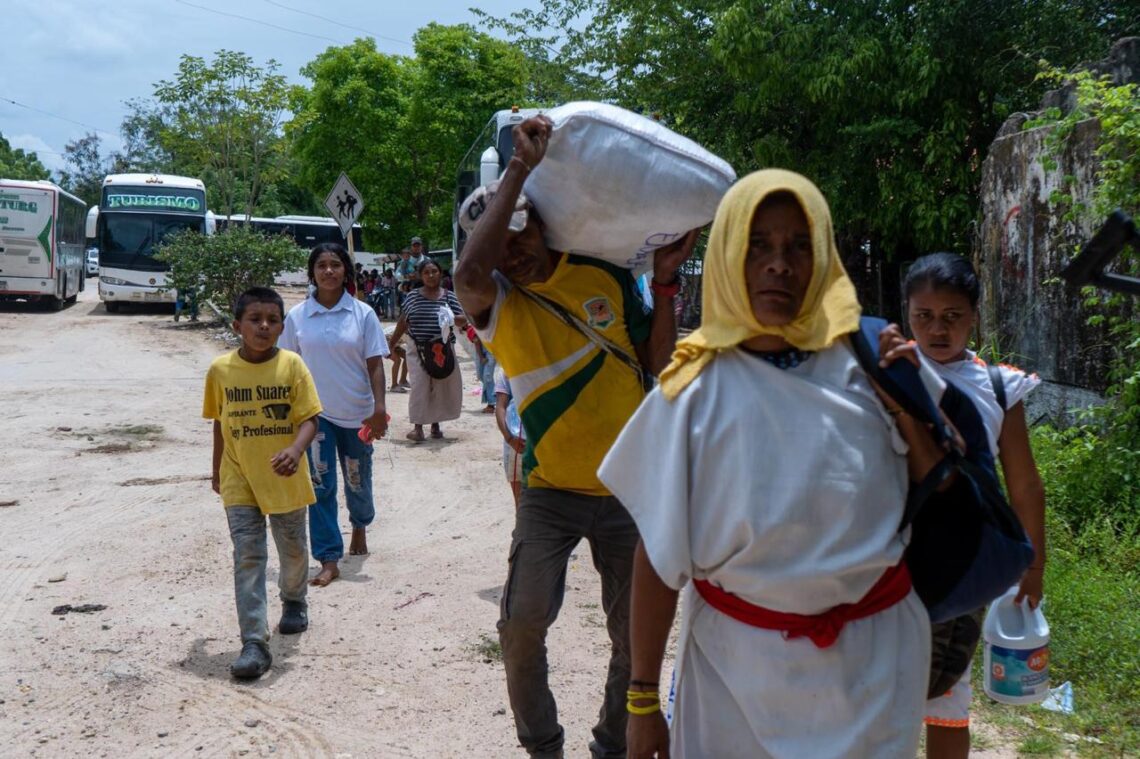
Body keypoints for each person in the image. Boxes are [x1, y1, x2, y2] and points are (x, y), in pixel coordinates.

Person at [597, 170, 952, 759]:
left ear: (824, 260)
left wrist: (903, 401)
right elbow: (658, 559)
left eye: (798, 246)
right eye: (758, 244)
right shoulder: (688, 393)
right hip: (730, 681)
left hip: (871, 674)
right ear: (730, 256)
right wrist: (641, 702)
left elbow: (940, 489)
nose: (778, 264)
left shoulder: (873, 362)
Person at [453, 113, 698, 759]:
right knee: (522, 623)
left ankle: (610, 747)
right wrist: (518, 168)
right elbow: (469, 277)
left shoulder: (604, 277)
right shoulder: (498, 302)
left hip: (627, 492)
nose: (514, 254)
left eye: (521, 235)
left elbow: (654, 359)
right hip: (549, 493)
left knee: (632, 638)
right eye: (498, 245)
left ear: (542, 223)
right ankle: (544, 748)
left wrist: (667, 282)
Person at [904, 252, 1047, 759]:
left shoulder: (999, 386)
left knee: (947, 694)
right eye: (924, 317)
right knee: (880, 692)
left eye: (952, 317)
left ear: (974, 318)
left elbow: (1025, 484)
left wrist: (1033, 565)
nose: (937, 330)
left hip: (962, 567)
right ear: (907, 316)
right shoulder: (887, 375)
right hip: (891, 562)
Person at [202, 286, 322, 679]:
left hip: (283, 476)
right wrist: (218, 467)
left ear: (282, 326)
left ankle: (294, 599)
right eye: (255, 319)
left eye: (272, 320)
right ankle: (254, 641)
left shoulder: (292, 366)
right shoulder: (220, 370)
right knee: (248, 556)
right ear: (238, 325)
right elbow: (221, 421)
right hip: (240, 478)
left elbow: (310, 419)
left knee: (292, 549)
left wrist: (296, 450)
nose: (264, 326)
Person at [279, 243, 390, 588]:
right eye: (322, 265)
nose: (329, 271)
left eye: (335, 265)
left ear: (346, 271)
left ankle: (359, 525)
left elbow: (375, 364)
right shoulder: (298, 317)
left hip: (357, 415)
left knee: (357, 480)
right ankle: (329, 557)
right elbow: (285, 366)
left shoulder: (362, 314)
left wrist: (379, 408)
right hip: (315, 416)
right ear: (312, 272)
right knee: (320, 485)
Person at [389, 259, 467, 442]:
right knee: (420, 386)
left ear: (440, 273)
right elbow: (403, 321)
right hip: (417, 348)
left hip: (443, 349)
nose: (431, 275)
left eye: (434, 271)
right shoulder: (413, 296)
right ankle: (417, 427)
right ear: (420, 276)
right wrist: (391, 344)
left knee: (440, 385)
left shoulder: (449, 296)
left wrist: (451, 318)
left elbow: (464, 319)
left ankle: (435, 425)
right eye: (426, 272)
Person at [493, 365, 525, 508]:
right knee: (520, 500)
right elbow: (500, 406)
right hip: (517, 442)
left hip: (542, 442)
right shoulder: (507, 369)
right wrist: (509, 438)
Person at [384, 324, 410, 393]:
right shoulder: (401, 330)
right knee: (397, 360)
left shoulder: (408, 332)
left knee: (407, 357)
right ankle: (394, 385)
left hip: (393, 343)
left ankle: (403, 380)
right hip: (385, 342)